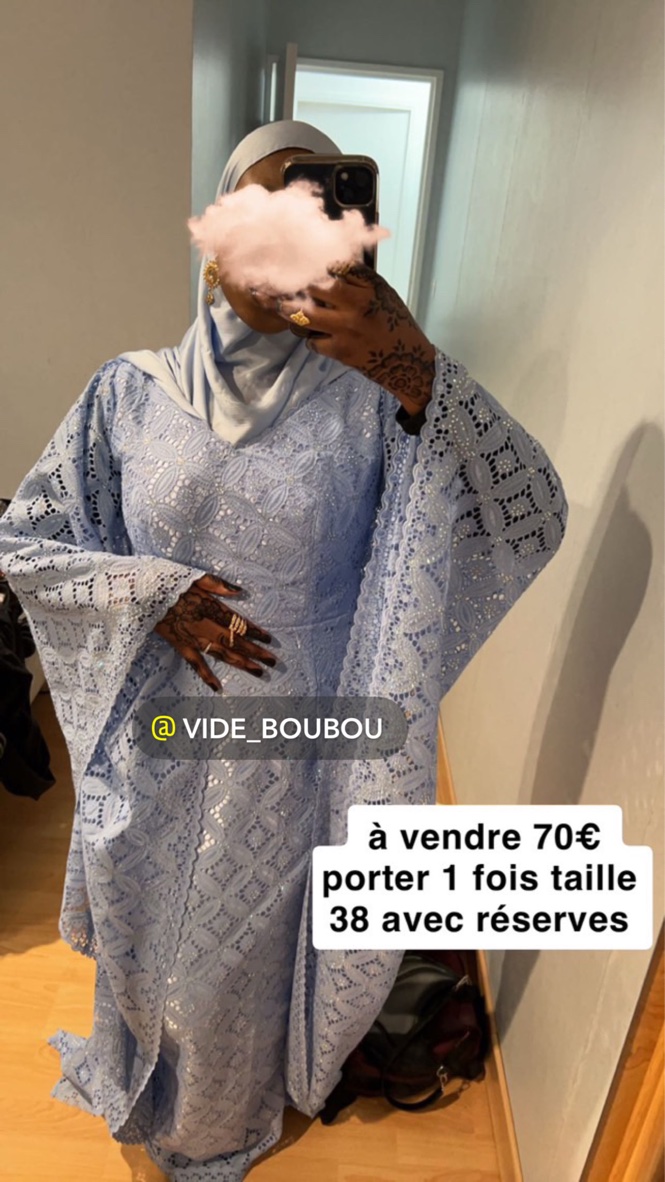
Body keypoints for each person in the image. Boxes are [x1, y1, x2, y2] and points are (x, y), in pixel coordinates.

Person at [0, 121, 567, 1181]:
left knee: (234, 957)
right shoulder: (127, 393)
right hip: (152, 726)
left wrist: (416, 367)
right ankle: (138, 1072)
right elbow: (24, 540)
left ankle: (213, 1126)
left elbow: (527, 509)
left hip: (292, 747)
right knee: (142, 933)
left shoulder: (378, 401)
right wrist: (150, 594)